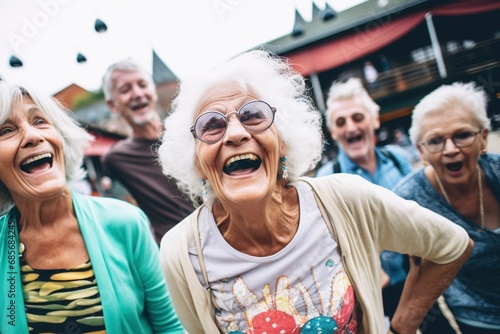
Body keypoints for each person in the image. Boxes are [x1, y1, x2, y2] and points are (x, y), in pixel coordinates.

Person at [156, 49, 473, 334]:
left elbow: (451, 245)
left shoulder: (343, 198)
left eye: (253, 115)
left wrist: (401, 326)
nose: (236, 133)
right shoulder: (180, 253)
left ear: (283, 142)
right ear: (196, 161)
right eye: (212, 124)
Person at [0, 82, 183, 333]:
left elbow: (170, 327)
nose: (32, 136)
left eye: (40, 121)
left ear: (62, 138)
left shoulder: (125, 222)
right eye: (6, 130)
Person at [393, 82, 500, 334]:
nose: (451, 150)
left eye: (462, 135)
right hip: (478, 321)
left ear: (483, 137)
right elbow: (415, 279)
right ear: (421, 151)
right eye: (436, 141)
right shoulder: (409, 199)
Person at [315, 77, 414, 320]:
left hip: (415, 277)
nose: (350, 127)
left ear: (374, 120)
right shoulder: (327, 178)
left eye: (357, 117)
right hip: (373, 291)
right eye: (341, 122)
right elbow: (327, 243)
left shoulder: (398, 159)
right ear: (334, 132)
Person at [101, 58, 195, 244]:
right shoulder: (116, 159)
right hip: (175, 251)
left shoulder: (187, 134)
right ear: (112, 104)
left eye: (142, 84)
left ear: (153, 90)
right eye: (125, 90)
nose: (137, 93)